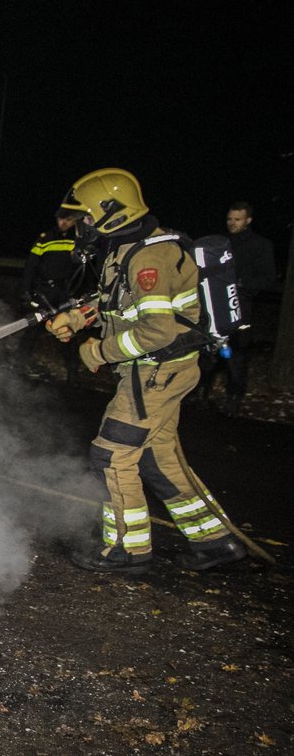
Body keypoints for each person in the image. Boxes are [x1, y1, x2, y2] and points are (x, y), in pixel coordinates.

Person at [45, 168, 247, 573]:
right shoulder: (130, 249)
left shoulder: (148, 259)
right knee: (159, 459)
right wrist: (80, 318)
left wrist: (97, 352)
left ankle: (127, 550)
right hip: (161, 373)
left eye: (85, 218)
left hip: (154, 374)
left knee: (110, 456)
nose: (79, 226)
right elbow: (118, 304)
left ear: (110, 215)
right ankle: (217, 542)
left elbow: (156, 331)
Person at [196, 201, 278, 416]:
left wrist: (242, 285)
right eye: (229, 219)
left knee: (236, 356)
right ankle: (200, 394)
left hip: (241, 307)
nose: (232, 223)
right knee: (207, 353)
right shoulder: (220, 244)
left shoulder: (261, 245)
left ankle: (233, 400)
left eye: (237, 219)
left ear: (248, 220)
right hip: (213, 308)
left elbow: (268, 279)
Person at [19, 207, 94, 381]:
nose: (63, 223)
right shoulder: (45, 239)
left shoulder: (79, 240)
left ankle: (72, 372)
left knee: (68, 332)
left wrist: (84, 293)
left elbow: (86, 270)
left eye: (67, 220)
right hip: (44, 292)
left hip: (66, 293)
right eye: (60, 219)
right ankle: (20, 365)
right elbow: (30, 266)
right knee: (32, 330)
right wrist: (26, 291)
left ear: (75, 220)